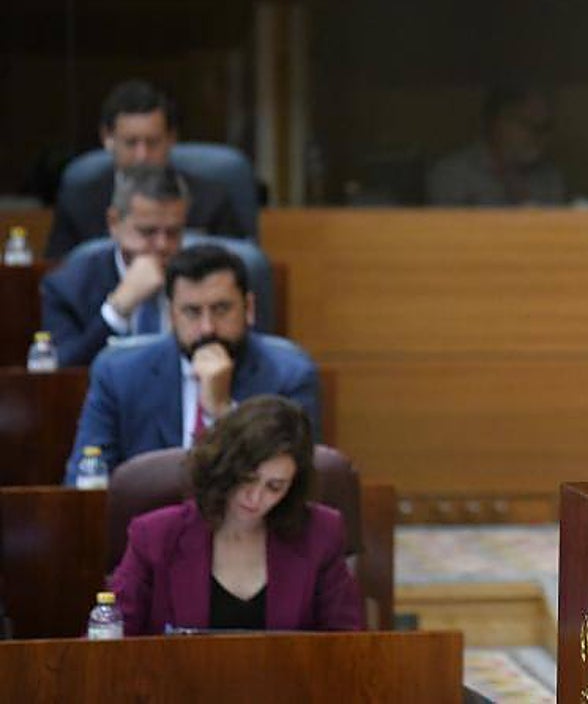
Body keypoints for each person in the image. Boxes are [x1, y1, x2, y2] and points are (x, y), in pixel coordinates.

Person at [63, 243, 321, 484]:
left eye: (221, 309)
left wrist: (222, 413)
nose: (207, 328)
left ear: (249, 308)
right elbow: (85, 478)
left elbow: (297, 487)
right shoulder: (118, 375)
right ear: (172, 315)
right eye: (192, 312)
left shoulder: (289, 377)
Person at [109, 395, 362, 635]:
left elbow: (346, 645)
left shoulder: (320, 533)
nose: (254, 498)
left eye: (274, 487)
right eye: (246, 479)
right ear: (224, 468)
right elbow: (109, 641)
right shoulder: (156, 536)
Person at [45, 78, 245, 259]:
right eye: (131, 143)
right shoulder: (79, 202)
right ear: (107, 138)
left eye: (153, 142)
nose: (142, 155)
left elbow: (238, 269)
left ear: (171, 139)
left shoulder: (212, 198)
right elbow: (61, 273)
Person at [40, 164, 187, 366]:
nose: (162, 246)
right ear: (114, 223)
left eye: (173, 233)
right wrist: (116, 310)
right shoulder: (68, 287)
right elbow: (62, 373)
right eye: (148, 232)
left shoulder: (202, 279)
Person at [427, 84, 567, 206]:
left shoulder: (549, 179)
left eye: (544, 128)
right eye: (525, 123)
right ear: (496, 123)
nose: (537, 136)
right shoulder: (453, 174)